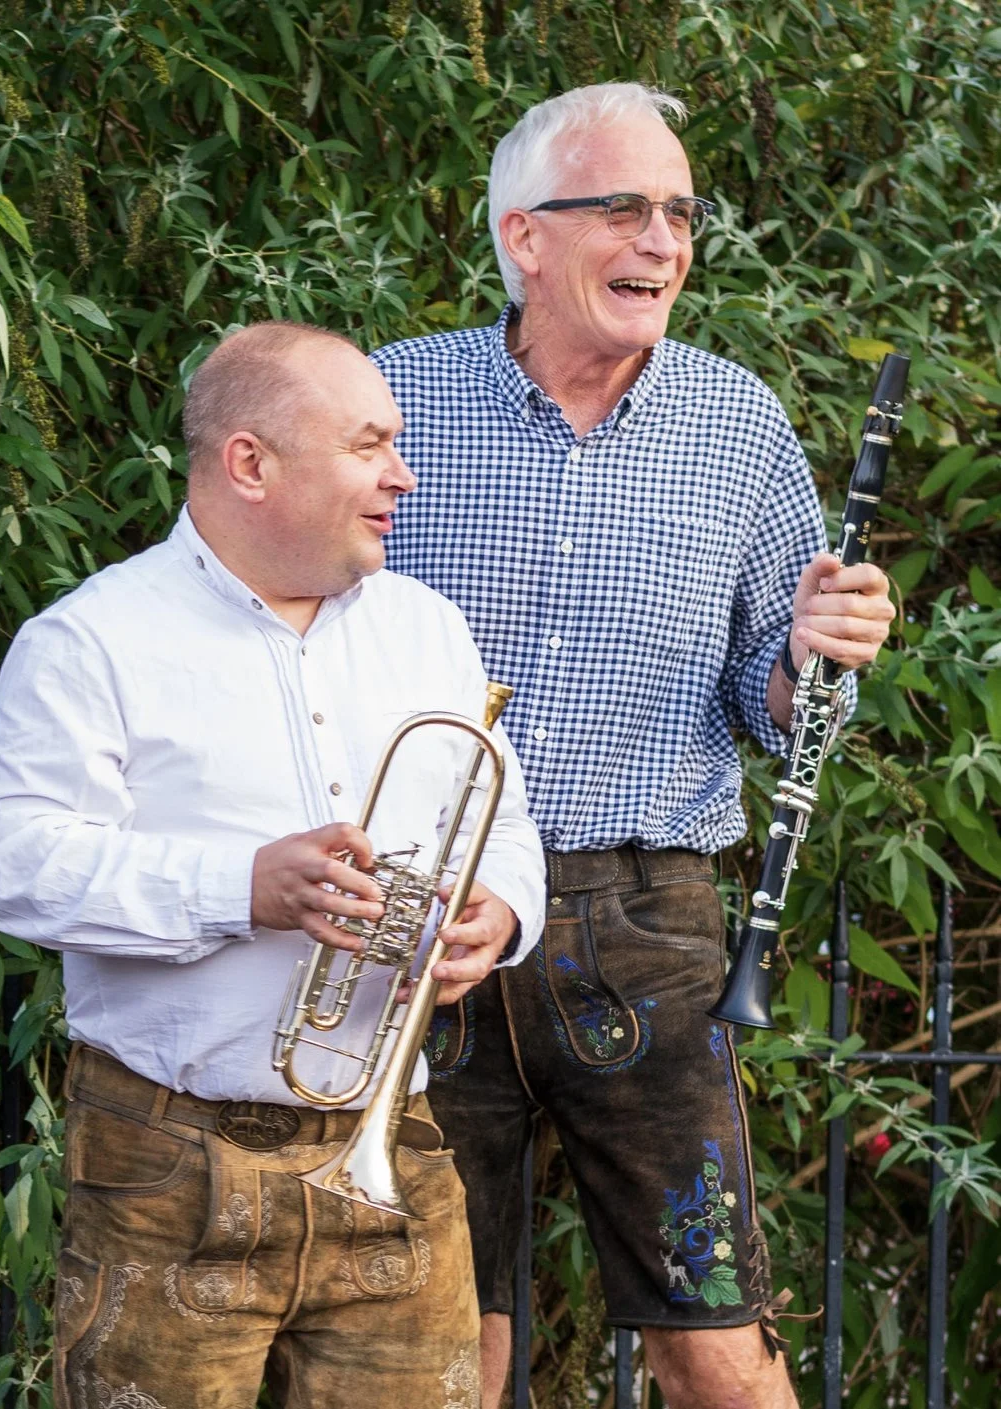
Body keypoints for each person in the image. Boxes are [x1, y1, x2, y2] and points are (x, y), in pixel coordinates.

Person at [371, 83, 897, 1409]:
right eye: (622, 206)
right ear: (524, 235)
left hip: (644, 917)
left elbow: (774, 709)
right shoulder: (391, 397)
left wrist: (818, 655)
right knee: (442, 1349)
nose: (661, 239)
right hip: (420, 911)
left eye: (679, 211)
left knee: (712, 1337)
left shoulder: (738, 423)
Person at [0, 322, 547, 1408]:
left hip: (393, 1137)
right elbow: (12, 864)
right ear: (250, 462)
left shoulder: (426, 627)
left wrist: (499, 911)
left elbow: (501, 819)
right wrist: (242, 888)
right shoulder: (91, 640)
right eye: (368, 445)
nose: (402, 475)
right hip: (169, 1161)